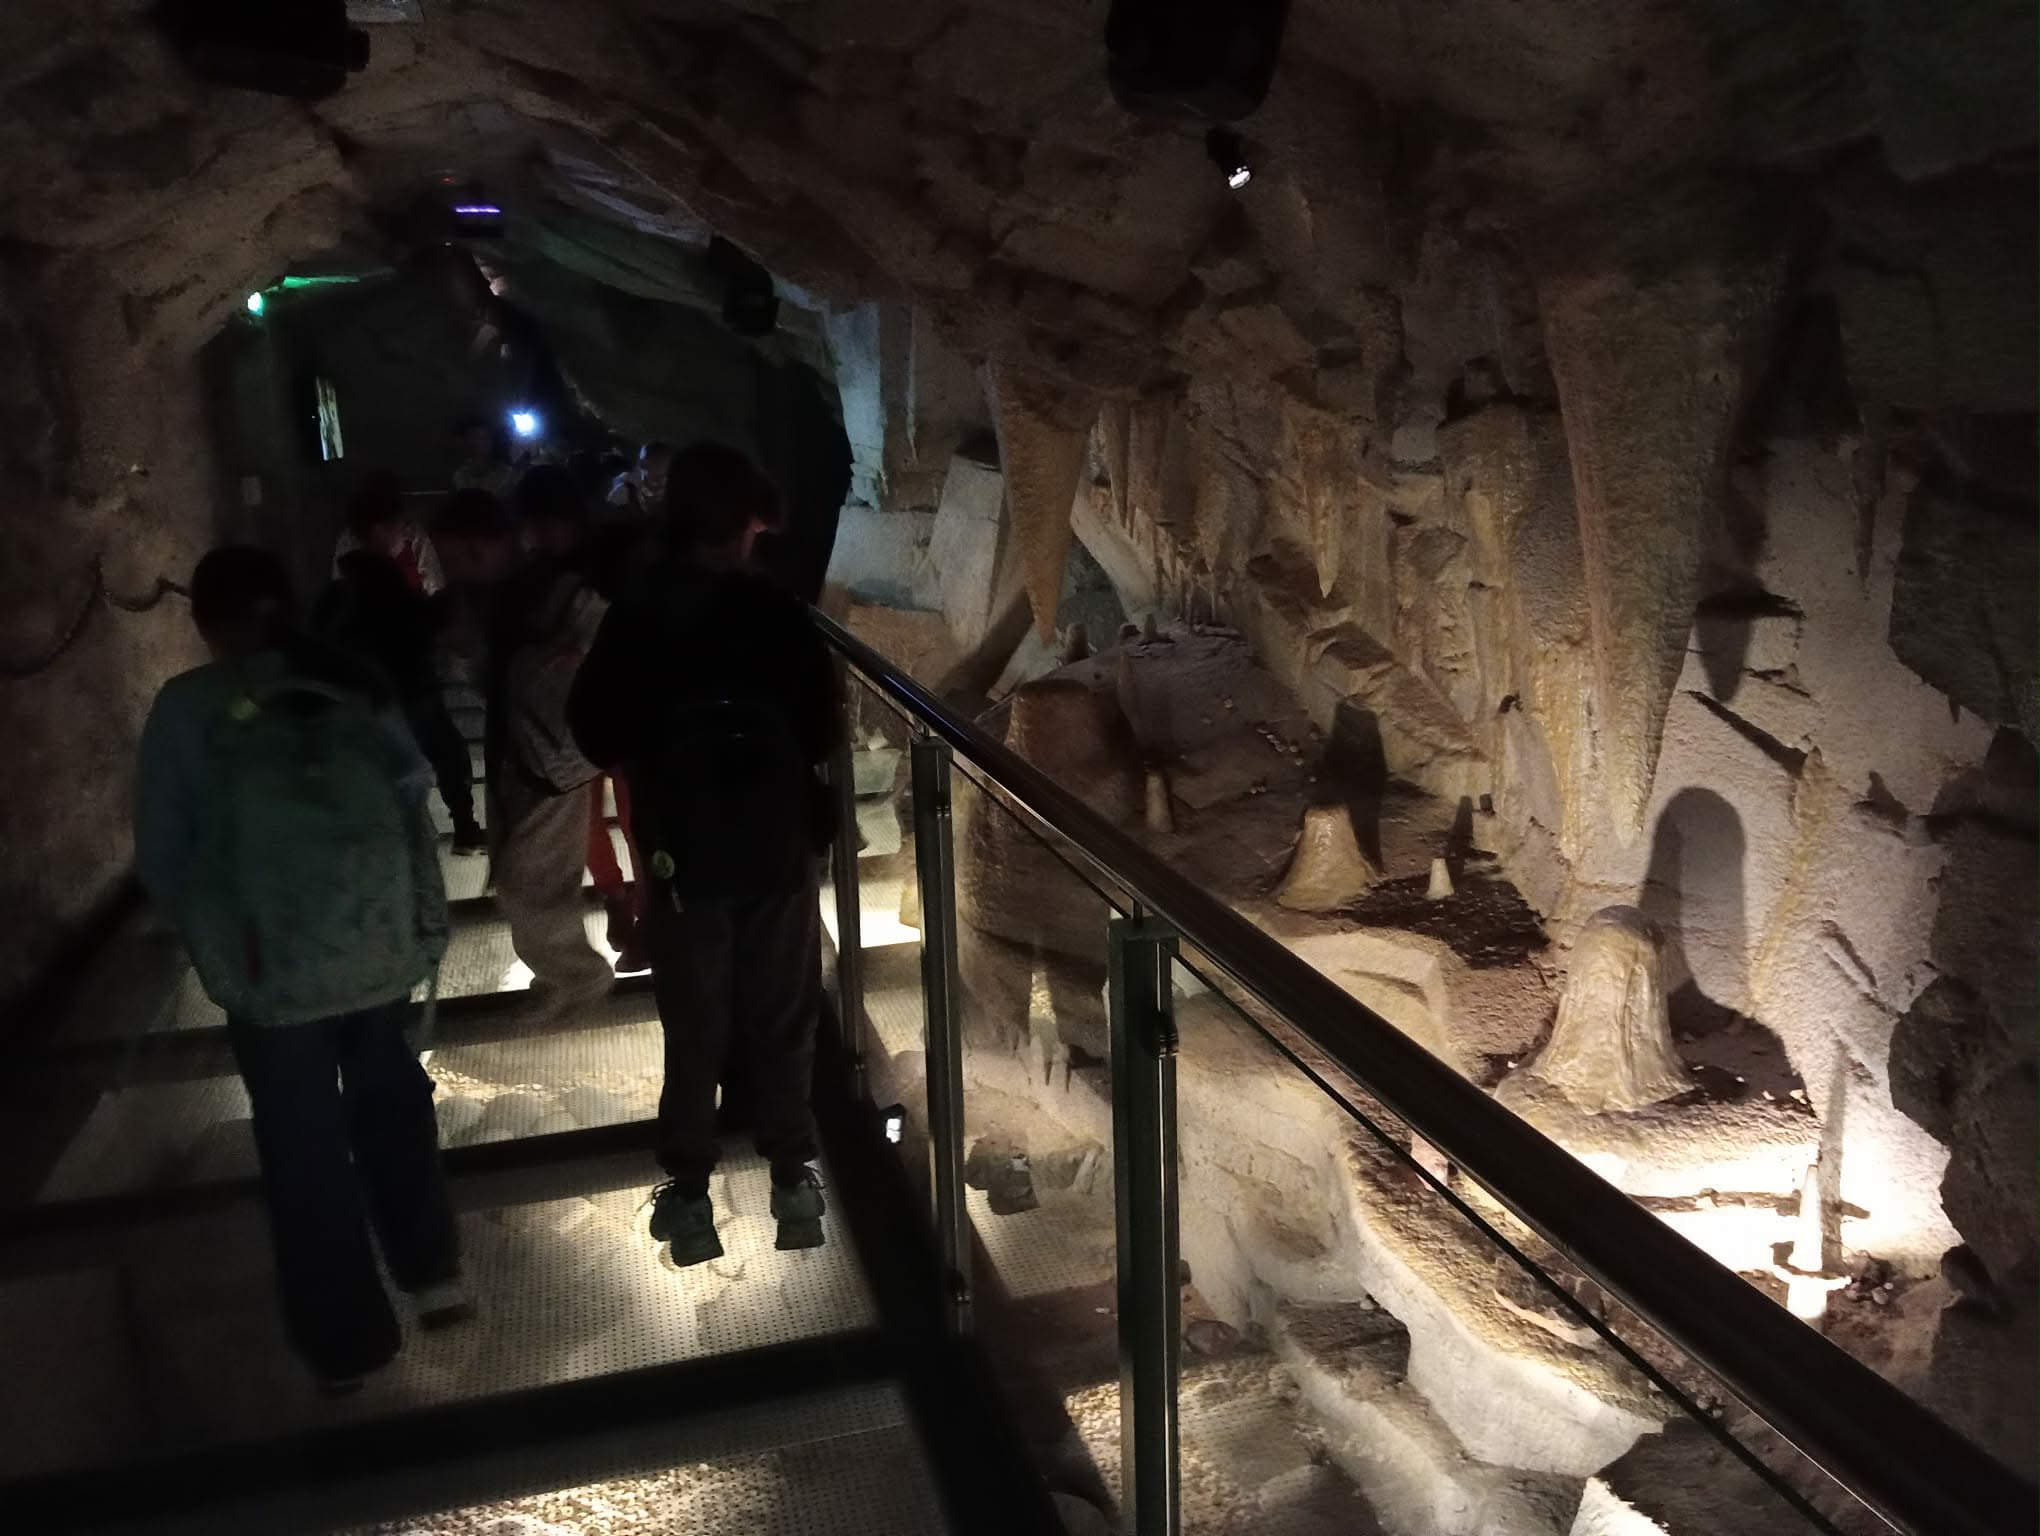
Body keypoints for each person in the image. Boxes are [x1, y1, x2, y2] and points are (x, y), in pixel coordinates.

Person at [134, 546, 468, 1394]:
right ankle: (433, 1271)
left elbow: (164, 853)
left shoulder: (188, 707)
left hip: (271, 972)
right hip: (376, 950)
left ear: (204, 622)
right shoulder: (354, 683)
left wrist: (216, 943)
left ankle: (345, 1342)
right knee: (393, 1102)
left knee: (302, 1143)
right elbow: (413, 794)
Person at [569, 443, 838, 1265]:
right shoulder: (778, 614)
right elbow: (821, 728)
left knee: (694, 1021)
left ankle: (690, 1196)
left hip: (683, 853)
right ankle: (793, 1182)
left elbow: (595, 729)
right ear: (750, 520)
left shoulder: (641, 614)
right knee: (783, 1013)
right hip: (775, 847)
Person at [487, 466, 614, 1012]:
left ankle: (576, 976)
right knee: (526, 870)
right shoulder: (545, 578)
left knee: (530, 873)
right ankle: (564, 973)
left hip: (557, 747)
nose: (537, 536)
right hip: (537, 742)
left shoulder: (582, 583)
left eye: (547, 524)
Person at [316, 544, 486, 856]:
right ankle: (462, 826)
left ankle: (414, 834)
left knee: (402, 768)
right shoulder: (399, 601)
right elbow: (436, 621)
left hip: (370, 704)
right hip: (414, 697)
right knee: (446, 756)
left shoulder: (340, 603)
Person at [331, 471, 445, 595]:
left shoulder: (415, 536)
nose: (405, 535)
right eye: (400, 530)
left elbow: (434, 585)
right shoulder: (349, 545)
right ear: (379, 531)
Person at [452, 414, 519, 498]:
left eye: (483, 437)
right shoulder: (460, 476)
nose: (477, 442)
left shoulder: (506, 474)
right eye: (474, 436)